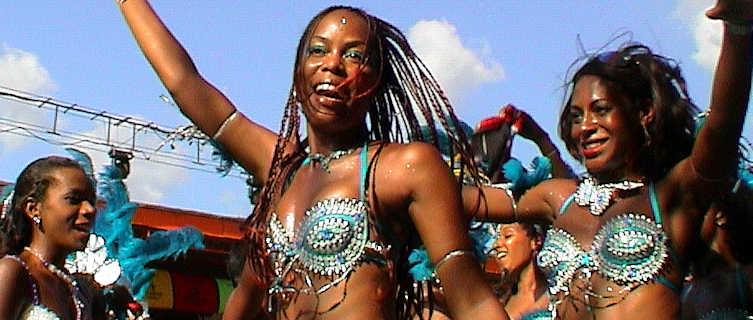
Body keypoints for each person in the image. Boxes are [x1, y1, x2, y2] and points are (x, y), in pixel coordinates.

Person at [115, 1, 507, 319]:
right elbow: (185, 85)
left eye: (355, 56)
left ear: (377, 82)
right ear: (299, 71)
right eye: (317, 50)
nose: (332, 64)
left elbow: (471, 299)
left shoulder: (404, 167)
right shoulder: (281, 167)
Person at [463, 0, 753, 318]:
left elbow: (722, 127)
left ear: (644, 113)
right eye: (575, 116)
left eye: (601, 110)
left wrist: (738, 28)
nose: (584, 127)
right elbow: (460, 200)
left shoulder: (669, 198)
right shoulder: (558, 198)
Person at [0, 156, 98, 319]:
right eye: (73, 200)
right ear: (33, 209)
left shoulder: (80, 291)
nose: (89, 210)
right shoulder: (13, 272)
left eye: (92, 202)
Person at [488, 223, 549, 320]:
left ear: (536, 240)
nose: (496, 244)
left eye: (507, 236)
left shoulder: (559, 294)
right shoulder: (496, 300)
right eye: (496, 238)